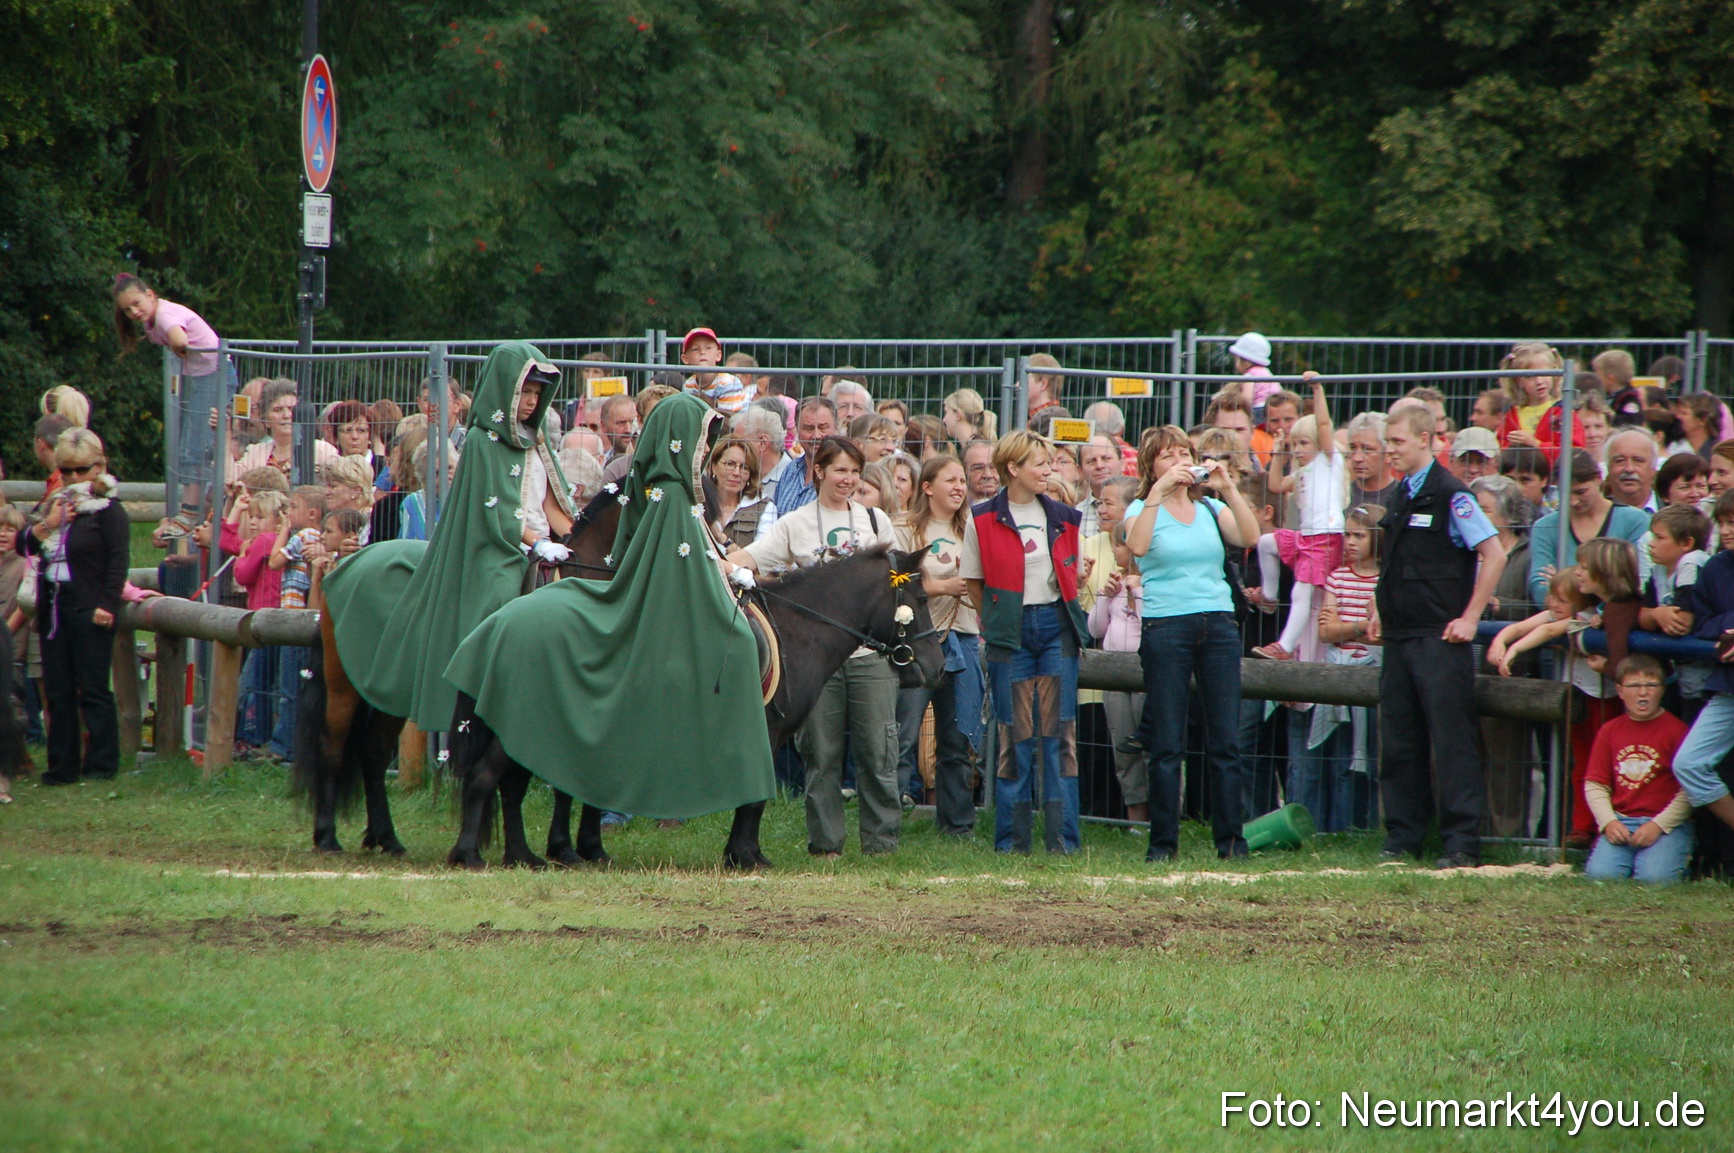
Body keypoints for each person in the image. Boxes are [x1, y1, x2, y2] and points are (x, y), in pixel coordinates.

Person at [322, 343, 574, 735]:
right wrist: (536, 542)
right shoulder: (482, 442)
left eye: (537, 393)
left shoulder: (536, 440)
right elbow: (493, 508)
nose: (531, 401)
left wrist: (571, 538)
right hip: (497, 546)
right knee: (496, 595)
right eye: (525, 391)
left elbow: (551, 504)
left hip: (544, 547)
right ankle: (474, 703)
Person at [732, 436, 902, 855]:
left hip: (869, 658)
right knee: (821, 754)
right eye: (840, 470)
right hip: (815, 661)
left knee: (878, 751)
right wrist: (711, 559)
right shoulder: (796, 523)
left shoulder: (876, 521)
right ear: (819, 472)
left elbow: (897, 580)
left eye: (855, 472)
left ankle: (881, 845)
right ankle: (826, 845)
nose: (848, 479)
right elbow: (749, 560)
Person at [1366, 404, 1506, 869]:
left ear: (1425, 440)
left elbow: (1494, 553)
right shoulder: (1401, 494)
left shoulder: (1451, 494)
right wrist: (1378, 608)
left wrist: (1470, 617)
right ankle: (1402, 838)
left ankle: (1461, 843)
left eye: (1398, 442)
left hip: (1440, 639)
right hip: (1400, 637)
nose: (1390, 450)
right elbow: (1394, 562)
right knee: (1399, 741)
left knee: (1451, 742)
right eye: (1388, 442)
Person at [1124, 426, 1261, 861]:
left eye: (1184, 453)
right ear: (1151, 466)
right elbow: (1137, 547)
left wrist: (1228, 488)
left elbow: (1250, 537)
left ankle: (1232, 843)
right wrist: (1158, 492)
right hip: (1166, 625)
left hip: (1217, 624)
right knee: (1167, 743)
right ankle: (1163, 846)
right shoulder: (1139, 507)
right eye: (1167, 456)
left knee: (1225, 741)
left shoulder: (1209, 507)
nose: (1179, 462)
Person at [960, 431, 1090, 854]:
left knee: (1059, 736)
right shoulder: (981, 518)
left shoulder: (1066, 516)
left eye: (1050, 462)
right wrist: (997, 618)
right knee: (1014, 737)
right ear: (1013, 468)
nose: (1048, 470)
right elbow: (974, 582)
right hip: (1010, 635)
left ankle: (1063, 842)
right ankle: (1012, 843)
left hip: (1055, 629)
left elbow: (1071, 574)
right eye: (1039, 463)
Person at [1493, 539, 1640, 845]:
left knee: (1608, 763)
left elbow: (1549, 630)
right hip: (1580, 695)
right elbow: (1530, 625)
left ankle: (1607, 826)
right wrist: (1502, 640)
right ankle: (1582, 826)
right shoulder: (1573, 614)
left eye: (1561, 599)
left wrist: (1515, 649)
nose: (1552, 604)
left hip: (1608, 699)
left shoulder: (1592, 617)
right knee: (1581, 762)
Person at [20, 429, 128, 785]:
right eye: (67, 471)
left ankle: (102, 764)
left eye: (82, 470)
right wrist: (48, 524)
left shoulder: (108, 510)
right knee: (58, 689)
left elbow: (118, 560)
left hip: (90, 606)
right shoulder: (55, 504)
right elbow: (23, 545)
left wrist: (108, 603)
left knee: (94, 688)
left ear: (99, 467)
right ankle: (62, 766)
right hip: (55, 605)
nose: (75, 478)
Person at [893, 455, 984, 834]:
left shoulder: (974, 529)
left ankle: (958, 826)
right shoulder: (904, 529)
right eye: (951, 480)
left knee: (957, 737)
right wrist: (943, 586)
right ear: (928, 487)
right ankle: (886, 825)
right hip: (915, 643)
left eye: (963, 480)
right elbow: (896, 581)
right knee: (903, 735)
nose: (960, 487)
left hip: (961, 639)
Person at [113, 273, 221, 536]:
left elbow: (180, 340)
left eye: (137, 303)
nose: (134, 312)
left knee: (196, 445)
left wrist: (178, 349)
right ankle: (194, 509)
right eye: (127, 310)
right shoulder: (154, 318)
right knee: (193, 442)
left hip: (213, 375)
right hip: (202, 377)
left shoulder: (163, 315)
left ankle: (191, 512)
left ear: (150, 295)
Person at [1304, 503, 1385, 832]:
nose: (1350, 542)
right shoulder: (1337, 577)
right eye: (1347, 535)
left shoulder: (1385, 581)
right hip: (1338, 677)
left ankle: (1367, 828)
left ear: (1377, 538)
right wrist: (1363, 625)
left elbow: (1383, 637)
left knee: (1372, 759)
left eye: (1359, 536)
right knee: (1341, 759)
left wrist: (1346, 627)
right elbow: (1325, 633)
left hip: (1373, 676)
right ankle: (1339, 830)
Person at [1581, 655, 1694, 884]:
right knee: (1600, 877)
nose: (1643, 693)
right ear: (1620, 691)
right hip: (1622, 821)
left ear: (1662, 690)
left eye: (1651, 685)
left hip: (1666, 824)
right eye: (1634, 686)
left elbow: (1690, 789)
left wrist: (1658, 825)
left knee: (1655, 879)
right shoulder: (1609, 731)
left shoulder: (1678, 731)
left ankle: (1682, 861)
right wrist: (1609, 822)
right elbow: (1596, 784)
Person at [1254, 375, 1343, 661]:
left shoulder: (1328, 462)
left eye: (1304, 443)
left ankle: (1286, 646)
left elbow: (1324, 424)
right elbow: (1276, 485)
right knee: (1266, 543)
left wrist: (1317, 389)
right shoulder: (1302, 472)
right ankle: (1269, 597)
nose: (1298, 449)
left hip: (1326, 537)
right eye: (1295, 444)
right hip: (1307, 537)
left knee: (1301, 591)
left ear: (1319, 443)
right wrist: (1279, 455)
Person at [1527, 450, 1651, 607]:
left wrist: (1562, 583)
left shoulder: (1635, 521)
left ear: (1599, 478)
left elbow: (1635, 583)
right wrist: (1602, 583)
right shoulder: (1545, 526)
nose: (1573, 501)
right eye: (1564, 493)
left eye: (1581, 492)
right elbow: (1540, 590)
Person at [1088, 518, 1149, 825]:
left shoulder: (1153, 584)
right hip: (1114, 675)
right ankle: (1135, 820)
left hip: (1145, 674)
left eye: (1119, 545)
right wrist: (1105, 597)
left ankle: (1161, 818)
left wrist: (1136, 593)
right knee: (1123, 749)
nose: (1114, 551)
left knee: (1151, 747)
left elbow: (1152, 624)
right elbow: (1096, 629)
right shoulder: (1115, 583)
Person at [1640, 504, 1712, 717]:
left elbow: (1682, 623)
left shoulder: (1693, 561)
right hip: (1680, 678)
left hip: (1707, 681)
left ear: (1686, 543)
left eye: (1659, 538)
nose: (1651, 544)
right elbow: (1643, 617)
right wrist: (1657, 614)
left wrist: (1656, 616)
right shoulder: (1658, 570)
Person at [233, 378, 339, 481]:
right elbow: (231, 481)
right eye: (277, 410)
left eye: (291, 409)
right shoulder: (255, 452)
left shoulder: (323, 450)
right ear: (266, 420)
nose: (286, 415)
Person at [1495, 342, 1581, 465]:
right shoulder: (1511, 415)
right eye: (1530, 376)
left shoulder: (1563, 412)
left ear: (1554, 372)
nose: (1539, 381)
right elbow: (1501, 449)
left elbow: (1574, 453)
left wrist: (1535, 444)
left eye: (1544, 373)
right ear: (1518, 381)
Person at [772, 396, 839, 515]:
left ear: (836, 429)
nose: (816, 435)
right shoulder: (790, 470)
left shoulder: (842, 475)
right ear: (797, 430)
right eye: (809, 428)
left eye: (823, 428)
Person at [707, 438, 776, 548]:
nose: (736, 473)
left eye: (744, 467)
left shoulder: (765, 507)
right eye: (730, 464)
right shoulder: (699, 502)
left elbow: (760, 556)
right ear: (713, 466)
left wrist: (723, 540)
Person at [679, 327, 746, 415]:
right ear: (685, 358)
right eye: (695, 349)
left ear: (718, 355)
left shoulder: (728, 383)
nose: (702, 352)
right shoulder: (688, 384)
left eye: (708, 348)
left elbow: (729, 420)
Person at [1344, 412, 1399, 510]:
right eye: (1353, 448)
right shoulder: (1341, 495)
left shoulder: (1404, 497)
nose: (1357, 458)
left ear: (1388, 453)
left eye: (1367, 450)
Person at [1605, 428, 1659, 512]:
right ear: (1608, 468)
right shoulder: (1594, 515)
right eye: (1620, 461)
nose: (1629, 469)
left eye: (1638, 460)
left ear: (1653, 469)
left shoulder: (1673, 510)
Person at [1076, 435, 1120, 537]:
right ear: (1080, 470)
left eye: (1106, 458)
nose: (1099, 466)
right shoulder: (1076, 514)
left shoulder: (1140, 507)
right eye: (1091, 461)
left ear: (1122, 462)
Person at [1226, 332, 1277, 416]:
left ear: (1246, 362)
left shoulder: (1249, 376)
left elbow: (1246, 400)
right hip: (1275, 408)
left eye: (1236, 359)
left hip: (1260, 409)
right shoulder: (1266, 372)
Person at [1082, 401, 1140, 476]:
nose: (1099, 465)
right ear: (1122, 429)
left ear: (1089, 428)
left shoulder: (1080, 456)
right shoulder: (1137, 457)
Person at [1252, 389, 1300, 470]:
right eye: (1274, 421)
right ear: (1266, 423)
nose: (1282, 426)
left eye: (1288, 419)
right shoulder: (1270, 465)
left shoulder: (1312, 456)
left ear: (1301, 418)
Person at [1025, 353, 1066, 426]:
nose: (1017, 385)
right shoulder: (1058, 418)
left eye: (1025, 379)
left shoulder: (1048, 421)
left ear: (1043, 384)